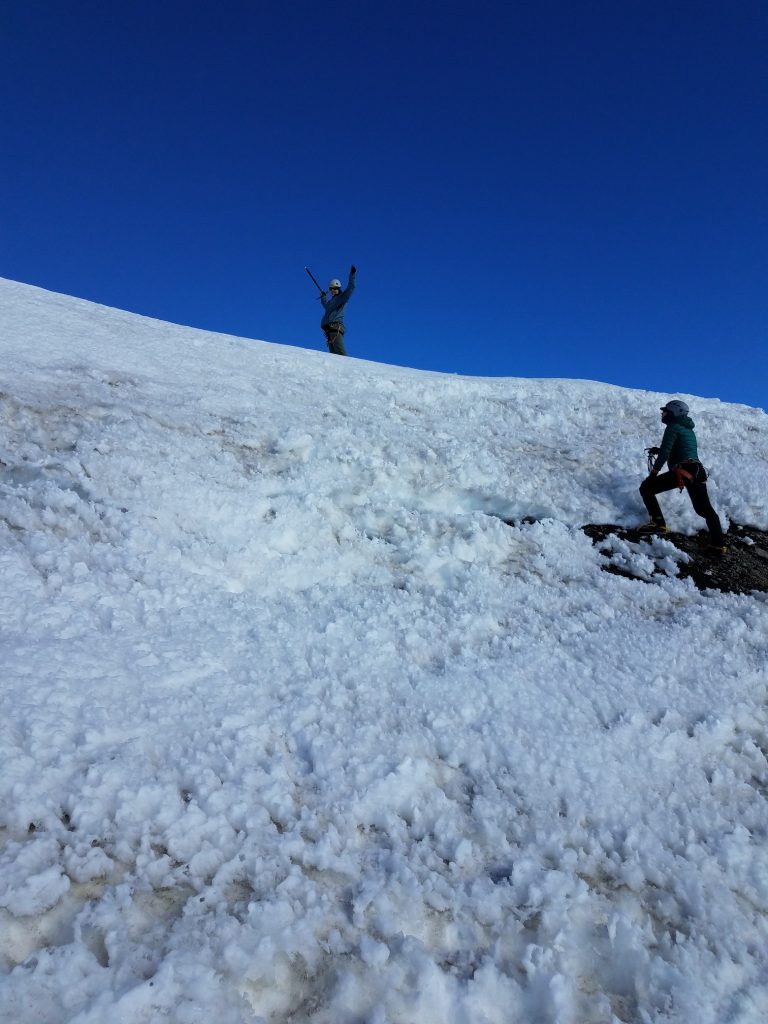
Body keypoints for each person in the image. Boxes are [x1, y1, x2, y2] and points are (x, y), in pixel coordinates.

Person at [638, 399, 726, 552]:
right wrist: (659, 450)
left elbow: (666, 453)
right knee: (704, 510)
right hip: (697, 471)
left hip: (684, 470)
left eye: (665, 411)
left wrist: (653, 473)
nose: (662, 413)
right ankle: (718, 545)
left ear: (674, 412)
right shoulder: (687, 429)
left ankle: (658, 524)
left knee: (646, 488)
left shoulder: (673, 427)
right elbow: (679, 448)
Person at [319, 266, 356, 355]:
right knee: (333, 356)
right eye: (330, 289)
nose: (332, 290)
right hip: (328, 331)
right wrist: (323, 297)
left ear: (338, 288)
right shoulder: (331, 302)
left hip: (336, 328)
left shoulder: (343, 298)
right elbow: (326, 306)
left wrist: (352, 274)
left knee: (341, 353)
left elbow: (351, 287)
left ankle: (349, 368)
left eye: (335, 288)